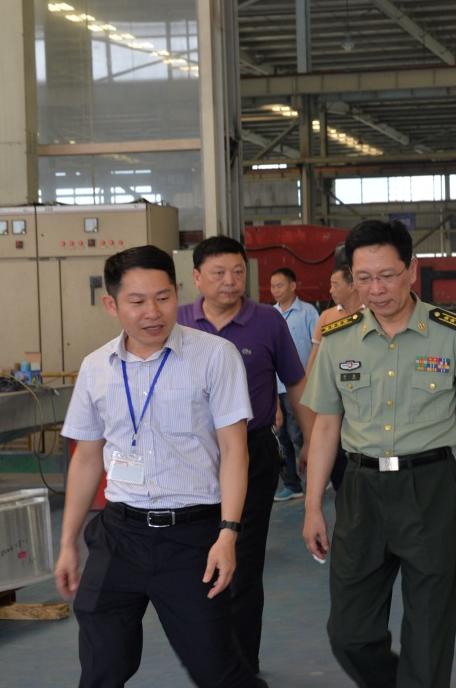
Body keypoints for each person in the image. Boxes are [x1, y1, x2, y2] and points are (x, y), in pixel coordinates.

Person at [301, 220, 456, 688]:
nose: (376, 289)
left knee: (429, 627)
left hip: (429, 487)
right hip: (360, 489)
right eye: (363, 278)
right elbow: (326, 425)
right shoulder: (338, 339)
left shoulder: (454, 335)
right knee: (349, 633)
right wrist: (312, 506)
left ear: (412, 270)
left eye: (387, 276)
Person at [54, 246, 264, 688]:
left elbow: (235, 451)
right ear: (112, 304)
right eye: (137, 301)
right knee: (101, 669)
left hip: (192, 538)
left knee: (216, 670)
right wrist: (69, 542)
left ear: (177, 292)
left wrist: (228, 533)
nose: (153, 312)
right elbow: (87, 458)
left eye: (163, 298)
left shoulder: (215, 355)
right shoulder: (95, 367)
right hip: (119, 535)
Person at [178, 236, 306, 675]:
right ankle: (212, 664)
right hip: (192, 457)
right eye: (218, 273)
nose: (230, 281)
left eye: (238, 271)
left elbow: (296, 383)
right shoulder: (177, 323)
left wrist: (308, 443)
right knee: (194, 564)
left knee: (244, 564)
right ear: (197, 278)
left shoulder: (268, 321)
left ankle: (242, 668)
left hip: (252, 452)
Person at [299, 263, 361, 491]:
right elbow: (314, 357)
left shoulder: (373, 314)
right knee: (336, 454)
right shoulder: (327, 317)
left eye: (335, 285)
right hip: (335, 399)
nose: (331, 290)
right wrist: (308, 392)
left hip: (362, 399)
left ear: (352, 285)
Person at [269, 267, 319, 502]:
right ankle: (292, 484)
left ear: (292, 285)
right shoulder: (270, 315)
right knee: (282, 438)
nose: (275, 290)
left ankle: (321, 475)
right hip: (276, 387)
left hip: (300, 387)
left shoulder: (308, 312)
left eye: (279, 285)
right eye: (272, 286)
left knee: (301, 435)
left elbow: (318, 348)